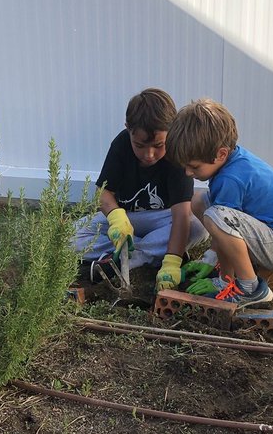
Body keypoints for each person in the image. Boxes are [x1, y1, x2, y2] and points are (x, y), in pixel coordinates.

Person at [165, 98, 273, 308]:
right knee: (198, 201)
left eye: (194, 166)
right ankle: (234, 277)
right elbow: (227, 225)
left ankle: (250, 288)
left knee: (215, 216)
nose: (188, 172)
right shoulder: (233, 160)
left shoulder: (230, 179)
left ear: (221, 153)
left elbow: (222, 225)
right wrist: (211, 257)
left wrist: (222, 280)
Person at [73, 88, 207, 292]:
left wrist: (171, 262)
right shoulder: (121, 144)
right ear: (128, 129)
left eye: (158, 145)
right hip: (127, 218)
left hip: (164, 218)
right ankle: (149, 251)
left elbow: (180, 215)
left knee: (197, 228)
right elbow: (104, 193)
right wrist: (115, 217)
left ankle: (133, 258)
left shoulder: (177, 152)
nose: (149, 154)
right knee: (71, 237)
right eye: (140, 145)